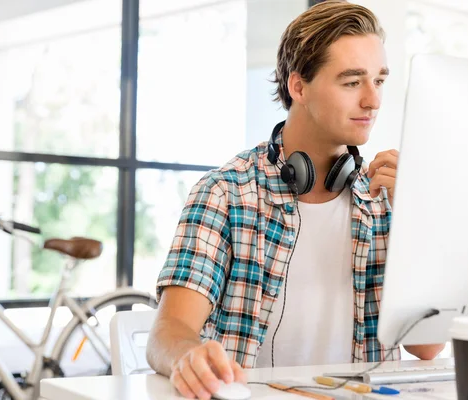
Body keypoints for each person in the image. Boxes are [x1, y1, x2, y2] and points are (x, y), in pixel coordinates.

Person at [146, 1, 445, 398]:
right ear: (298, 86)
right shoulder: (226, 192)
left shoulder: (387, 198)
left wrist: (415, 217)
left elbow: (427, 347)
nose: (373, 100)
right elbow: (168, 333)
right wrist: (189, 356)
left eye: (380, 81)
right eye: (352, 82)